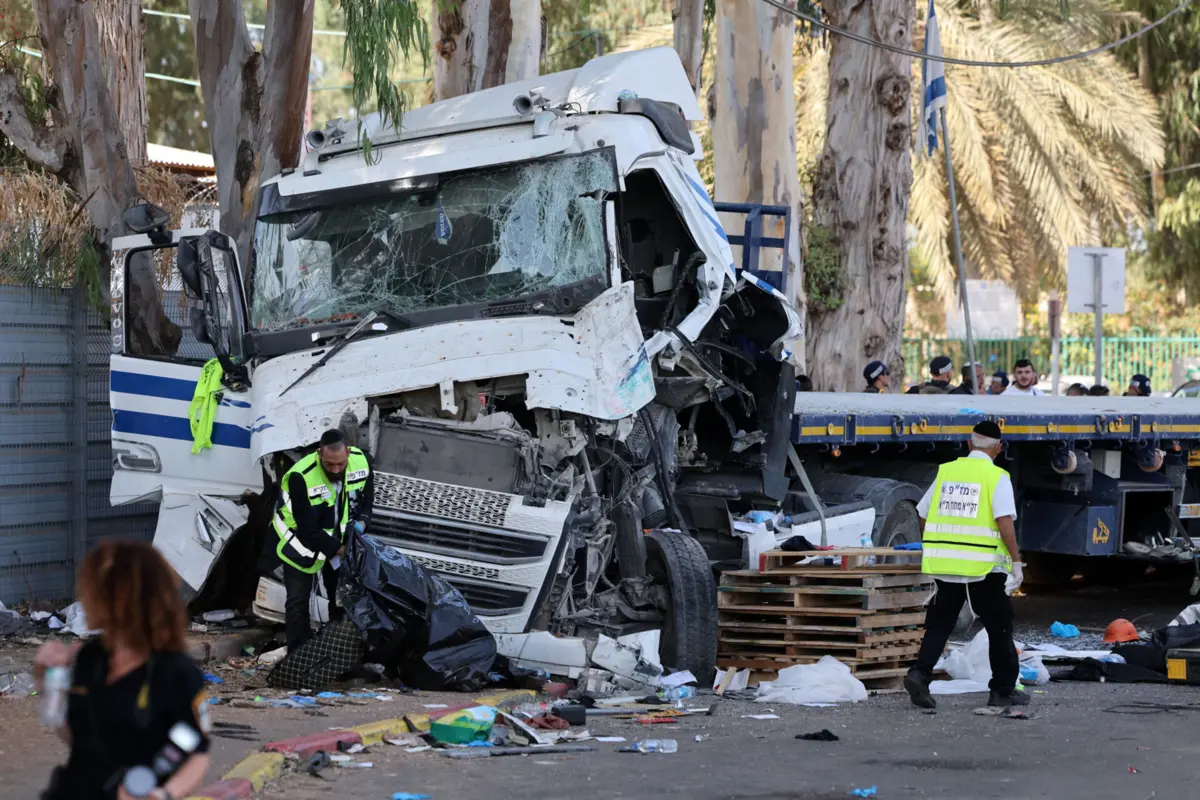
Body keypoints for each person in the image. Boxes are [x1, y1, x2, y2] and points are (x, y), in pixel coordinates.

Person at [35, 540, 211, 799]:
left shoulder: (175, 673)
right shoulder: (90, 658)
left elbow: (197, 754)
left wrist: (163, 794)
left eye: (92, 588)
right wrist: (47, 683)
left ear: (121, 598)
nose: (83, 596)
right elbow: (79, 740)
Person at [904, 421, 1027, 710]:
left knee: (940, 623)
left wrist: (940, 543)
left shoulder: (947, 471)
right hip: (984, 567)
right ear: (998, 448)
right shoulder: (996, 476)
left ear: (969, 445)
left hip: (945, 565)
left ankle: (919, 674)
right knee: (1000, 627)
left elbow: (923, 513)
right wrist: (1017, 561)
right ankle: (1002, 690)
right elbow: (1004, 522)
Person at [271, 429, 375, 651]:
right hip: (299, 542)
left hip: (338, 541)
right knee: (298, 602)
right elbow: (307, 528)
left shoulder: (362, 462)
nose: (336, 470)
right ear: (319, 455)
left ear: (347, 453)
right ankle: (297, 658)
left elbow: (367, 504)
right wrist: (341, 549)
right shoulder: (301, 476)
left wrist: (362, 525)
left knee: (341, 599)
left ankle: (338, 656)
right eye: (329, 465)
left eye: (340, 464)